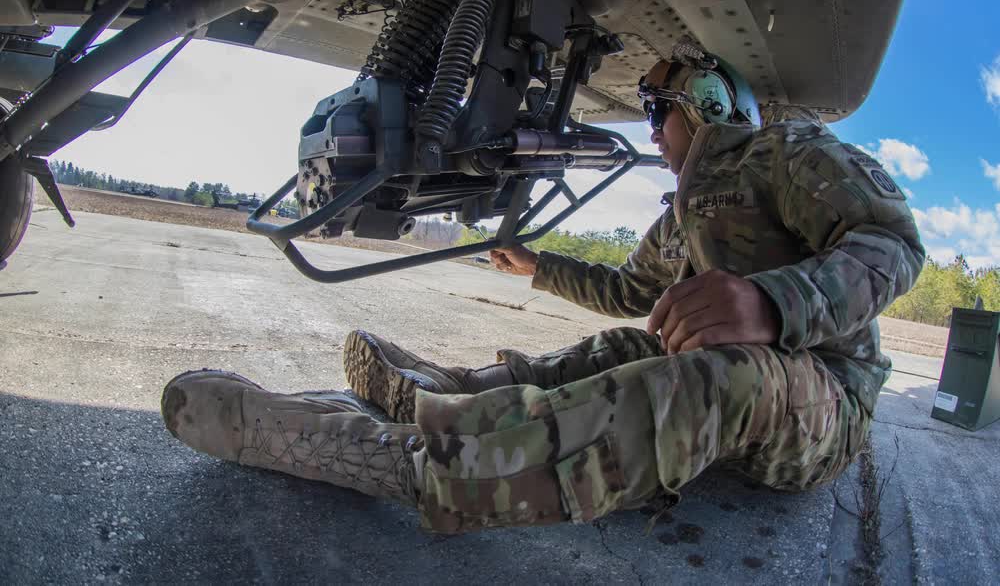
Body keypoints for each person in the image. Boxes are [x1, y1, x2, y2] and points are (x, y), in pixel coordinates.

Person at [160, 39, 924, 534]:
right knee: (632, 344)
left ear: (710, 103)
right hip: (759, 401)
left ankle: (415, 465)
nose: (650, 130)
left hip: (828, 397)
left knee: (724, 375)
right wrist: (539, 267)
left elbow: (892, 241)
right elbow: (629, 293)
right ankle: (455, 394)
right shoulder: (680, 213)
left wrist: (770, 303)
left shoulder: (786, 153)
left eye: (659, 109)